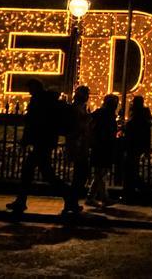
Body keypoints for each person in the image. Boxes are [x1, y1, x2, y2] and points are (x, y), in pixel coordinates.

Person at [6, 80, 68, 214]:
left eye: (30, 88)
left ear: (35, 88)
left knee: (39, 173)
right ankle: (21, 202)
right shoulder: (47, 101)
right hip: (46, 142)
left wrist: (25, 140)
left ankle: (70, 198)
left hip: (41, 142)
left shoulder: (39, 101)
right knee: (38, 172)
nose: (28, 91)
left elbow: (33, 123)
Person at [62, 85, 92, 215]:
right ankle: (71, 201)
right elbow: (77, 127)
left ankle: (71, 202)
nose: (88, 97)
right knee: (80, 175)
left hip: (80, 145)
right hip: (78, 146)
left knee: (80, 175)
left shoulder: (79, 108)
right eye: (86, 94)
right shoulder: (76, 109)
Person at [86, 94, 119, 207]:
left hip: (102, 145)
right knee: (100, 172)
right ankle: (99, 197)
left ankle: (93, 196)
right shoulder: (105, 114)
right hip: (102, 146)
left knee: (100, 173)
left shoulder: (102, 113)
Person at [121, 95, 152, 202]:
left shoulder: (136, 116)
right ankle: (133, 192)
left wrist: (124, 129)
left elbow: (131, 130)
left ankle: (137, 191)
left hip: (132, 146)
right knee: (132, 170)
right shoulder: (143, 115)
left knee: (130, 171)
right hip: (137, 146)